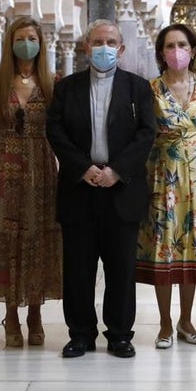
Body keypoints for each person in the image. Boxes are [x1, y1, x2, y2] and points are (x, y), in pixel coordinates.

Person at [46, 19, 157, 359]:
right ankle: (80, 333)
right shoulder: (68, 88)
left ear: (121, 49)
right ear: (85, 47)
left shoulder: (138, 88)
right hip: (80, 188)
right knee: (79, 267)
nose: (104, 48)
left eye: (110, 42)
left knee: (121, 268)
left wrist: (117, 171)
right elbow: (56, 130)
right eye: (97, 42)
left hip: (121, 190)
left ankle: (120, 333)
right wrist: (83, 169)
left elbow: (145, 134)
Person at [0, 16, 63, 348]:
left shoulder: (51, 82)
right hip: (3, 168)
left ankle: (35, 314)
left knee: (38, 238)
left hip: (41, 168)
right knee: (7, 238)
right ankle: (11, 316)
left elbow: (59, 130)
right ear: (10, 41)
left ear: (41, 43)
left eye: (33, 37)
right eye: (21, 37)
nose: (27, 42)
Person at [137, 23, 196, 349]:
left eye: (182, 45)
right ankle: (165, 323)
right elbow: (145, 133)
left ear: (194, 50)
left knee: (192, 245)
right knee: (164, 246)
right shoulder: (151, 88)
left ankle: (187, 320)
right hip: (163, 175)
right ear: (161, 53)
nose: (176, 51)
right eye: (170, 46)